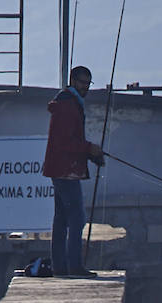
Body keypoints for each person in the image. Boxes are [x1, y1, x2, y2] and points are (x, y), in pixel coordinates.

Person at [42, 66, 104, 277]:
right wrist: (90, 148)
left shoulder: (68, 102)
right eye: (81, 82)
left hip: (59, 168)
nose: (85, 86)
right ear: (72, 81)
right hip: (65, 170)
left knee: (61, 219)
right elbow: (67, 142)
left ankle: (60, 267)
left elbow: (67, 141)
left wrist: (90, 154)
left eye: (88, 83)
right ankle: (74, 266)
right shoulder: (68, 105)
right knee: (77, 218)